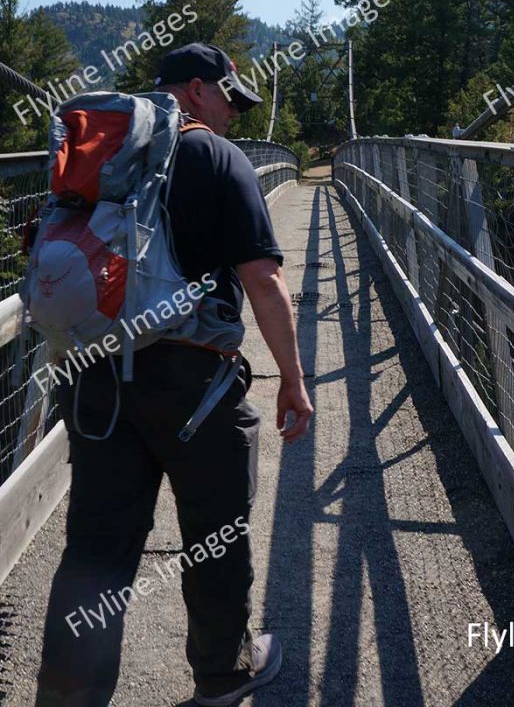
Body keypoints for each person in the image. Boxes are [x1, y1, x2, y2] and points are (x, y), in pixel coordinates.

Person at [35, 42, 314, 707]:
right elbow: (264, 280)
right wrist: (295, 381)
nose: (234, 116)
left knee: (97, 548)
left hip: (98, 376)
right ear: (196, 89)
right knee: (215, 533)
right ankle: (221, 674)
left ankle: (69, 697)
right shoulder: (218, 156)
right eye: (228, 99)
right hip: (196, 387)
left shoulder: (106, 156)